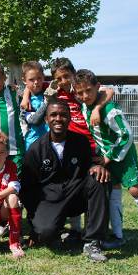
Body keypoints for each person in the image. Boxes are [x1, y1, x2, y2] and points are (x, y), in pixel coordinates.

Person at [75, 69, 138, 253]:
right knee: (114, 193)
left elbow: (127, 135)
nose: (84, 96)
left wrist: (108, 156)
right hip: (107, 158)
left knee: (135, 190)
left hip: (121, 155)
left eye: (88, 91)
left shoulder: (109, 109)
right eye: (80, 92)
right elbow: (107, 91)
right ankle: (118, 236)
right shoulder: (85, 105)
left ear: (96, 87)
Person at [20, 99, 111, 262]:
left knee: (99, 178)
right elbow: (27, 189)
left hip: (75, 193)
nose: (58, 118)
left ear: (69, 118)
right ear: (46, 119)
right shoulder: (35, 149)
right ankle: (56, 230)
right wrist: (33, 225)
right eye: (53, 115)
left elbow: (88, 165)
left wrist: (95, 167)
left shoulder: (81, 141)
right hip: (49, 199)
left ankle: (92, 241)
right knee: (45, 234)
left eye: (63, 115)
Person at [20, 61, 49, 150]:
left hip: (49, 142)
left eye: (39, 78)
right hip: (31, 143)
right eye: (31, 80)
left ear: (43, 77)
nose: (36, 82)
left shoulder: (50, 91)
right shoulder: (23, 101)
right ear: (24, 80)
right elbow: (35, 121)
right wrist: (47, 101)